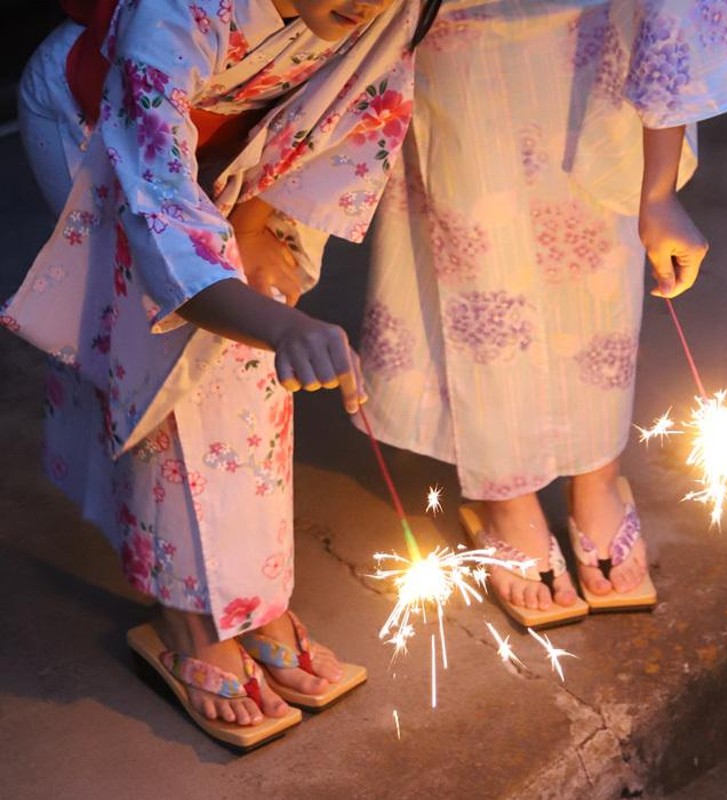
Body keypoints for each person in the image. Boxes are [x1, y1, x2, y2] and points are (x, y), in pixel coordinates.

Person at [3, 0, 425, 747]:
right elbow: (158, 206)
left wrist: (259, 220)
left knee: (250, 366)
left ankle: (254, 598)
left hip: (238, 152)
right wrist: (279, 324)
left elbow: (333, 109)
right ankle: (189, 618)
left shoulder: (391, 11)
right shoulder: (177, 11)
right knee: (166, 354)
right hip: (100, 124)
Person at [357, 0, 727, 624]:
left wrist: (658, 191)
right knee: (478, 258)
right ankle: (506, 488)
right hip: (457, 30)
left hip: (594, 27)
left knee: (597, 256)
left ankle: (598, 474)